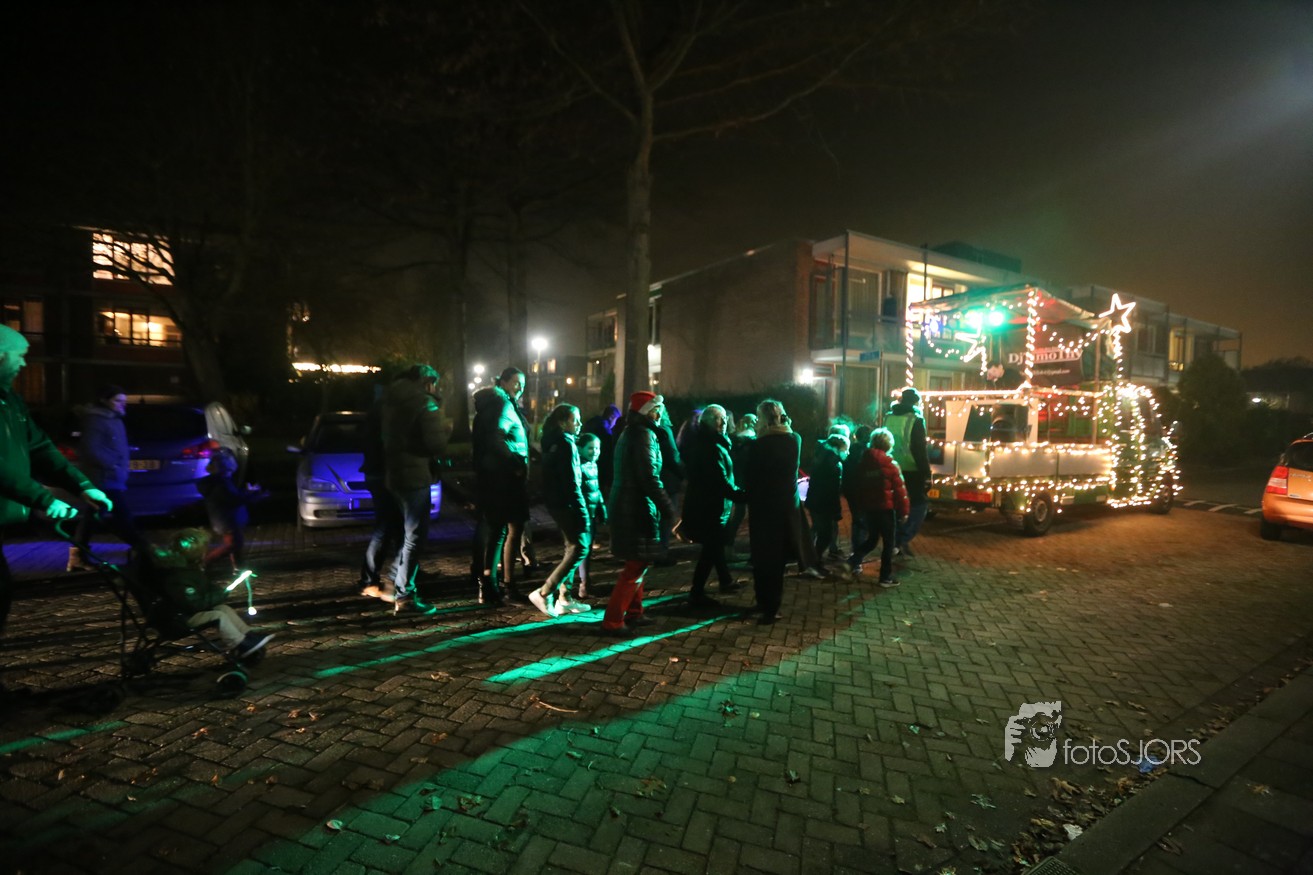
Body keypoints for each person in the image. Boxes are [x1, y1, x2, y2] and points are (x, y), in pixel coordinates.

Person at [0, 325, 112, 699]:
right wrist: (43, 499)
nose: (23, 364)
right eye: (19, 356)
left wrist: (82, 485)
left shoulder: (11, 402)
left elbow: (40, 449)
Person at [601, 391, 675, 637]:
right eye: (657, 410)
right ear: (648, 411)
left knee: (639, 560)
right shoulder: (644, 434)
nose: (660, 414)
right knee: (635, 564)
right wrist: (668, 508)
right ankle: (613, 620)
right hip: (635, 507)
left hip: (630, 504)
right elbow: (649, 477)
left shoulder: (632, 431)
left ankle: (635, 612)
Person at [374, 363, 446, 614]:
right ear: (427, 382)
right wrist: (444, 424)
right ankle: (404, 595)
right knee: (415, 537)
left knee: (406, 535)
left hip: (394, 474)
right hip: (414, 476)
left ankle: (394, 581)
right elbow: (436, 443)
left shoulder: (390, 400)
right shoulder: (424, 403)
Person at [69, 384, 145, 570]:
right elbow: (91, 449)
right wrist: (113, 464)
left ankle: (78, 556)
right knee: (121, 515)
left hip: (112, 476)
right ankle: (143, 549)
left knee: (93, 516)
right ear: (104, 400)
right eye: (117, 400)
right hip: (103, 478)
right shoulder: (96, 420)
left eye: (124, 401)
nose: (122, 404)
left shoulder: (114, 419)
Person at [739, 399, 801, 625]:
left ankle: (764, 603)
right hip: (784, 508)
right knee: (777, 560)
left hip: (762, 507)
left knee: (761, 557)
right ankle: (771, 605)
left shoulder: (758, 445)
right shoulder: (794, 440)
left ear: (763, 419)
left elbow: (750, 478)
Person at [472, 367, 530, 606]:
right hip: (507, 479)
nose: (520, 388)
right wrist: (516, 462)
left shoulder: (493, 405)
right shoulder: (503, 405)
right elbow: (496, 438)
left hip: (494, 477)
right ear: (503, 382)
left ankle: (490, 585)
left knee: (498, 531)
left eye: (523, 384)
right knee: (510, 530)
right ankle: (504, 586)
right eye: (516, 382)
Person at [528, 404, 592, 618]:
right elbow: (571, 482)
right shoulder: (566, 443)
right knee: (580, 547)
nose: (580, 423)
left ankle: (565, 598)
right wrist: (582, 512)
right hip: (567, 504)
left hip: (556, 502)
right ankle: (545, 592)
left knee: (571, 547)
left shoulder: (553, 441)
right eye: (575, 420)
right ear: (563, 423)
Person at [677, 404, 744, 608]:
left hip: (711, 504)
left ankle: (725, 580)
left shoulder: (712, 442)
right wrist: (742, 495)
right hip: (710, 506)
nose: (724, 423)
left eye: (724, 419)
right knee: (711, 548)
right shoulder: (711, 446)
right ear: (710, 422)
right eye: (719, 419)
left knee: (714, 546)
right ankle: (696, 592)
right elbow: (719, 480)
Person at [847, 427, 910, 588]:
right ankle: (885, 577)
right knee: (889, 543)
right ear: (888, 444)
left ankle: (852, 561)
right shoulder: (891, 465)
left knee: (872, 539)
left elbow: (858, 486)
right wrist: (904, 511)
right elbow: (900, 491)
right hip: (886, 510)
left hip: (870, 508)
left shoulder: (864, 463)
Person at [358, 382, 400, 597]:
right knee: (386, 528)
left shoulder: (374, 413)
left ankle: (378, 577)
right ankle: (371, 580)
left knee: (390, 527)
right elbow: (388, 445)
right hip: (384, 475)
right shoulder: (385, 414)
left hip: (376, 473)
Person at [197, 447, 266, 570]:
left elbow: (234, 496)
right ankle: (203, 563)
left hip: (226, 519)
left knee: (235, 545)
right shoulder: (221, 483)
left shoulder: (221, 481)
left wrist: (248, 493)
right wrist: (254, 495)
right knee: (232, 545)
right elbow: (234, 499)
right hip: (227, 520)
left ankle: (238, 568)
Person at [885, 387, 931, 557]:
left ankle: (894, 540)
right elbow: (919, 449)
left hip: (891, 466)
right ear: (916, 402)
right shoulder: (915, 420)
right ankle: (902, 539)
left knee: (896, 505)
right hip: (911, 469)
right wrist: (926, 473)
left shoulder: (888, 417)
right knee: (919, 505)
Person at [805, 433, 849, 565]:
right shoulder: (833, 463)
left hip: (815, 501)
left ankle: (813, 560)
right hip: (824, 504)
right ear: (838, 448)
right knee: (826, 535)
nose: (847, 453)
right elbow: (832, 490)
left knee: (821, 532)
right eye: (845, 449)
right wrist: (836, 510)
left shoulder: (822, 456)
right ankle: (813, 562)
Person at [652, 404, 684, 566]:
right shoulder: (664, 430)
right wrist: (683, 474)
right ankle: (661, 553)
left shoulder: (648, 431)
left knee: (657, 518)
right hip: (668, 479)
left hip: (656, 478)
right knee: (666, 517)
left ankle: (655, 551)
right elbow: (673, 455)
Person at [723, 412, 756, 566]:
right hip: (745, 483)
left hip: (738, 481)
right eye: (754, 419)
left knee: (737, 515)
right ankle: (729, 548)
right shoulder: (749, 439)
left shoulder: (736, 439)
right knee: (741, 515)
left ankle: (728, 547)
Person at [576, 432, 606, 599]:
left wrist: (601, 508)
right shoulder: (578, 465)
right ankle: (581, 585)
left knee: (587, 551)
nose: (595, 451)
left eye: (597, 448)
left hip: (591, 513)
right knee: (581, 550)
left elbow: (596, 488)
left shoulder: (593, 465)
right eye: (590, 448)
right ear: (580, 449)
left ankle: (585, 583)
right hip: (583, 513)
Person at [842, 425, 872, 558]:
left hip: (852, 491)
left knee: (857, 519)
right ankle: (857, 554)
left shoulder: (851, 452)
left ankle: (855, 550)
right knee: (863, 522)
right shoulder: (867, 452)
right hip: (863, 491)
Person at [582, 404, 621, 498]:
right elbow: (607, 455)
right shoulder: (606, 431)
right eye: (616, 420)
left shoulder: (591, 423)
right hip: (599, 469)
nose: (615, 424)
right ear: (612, 417)